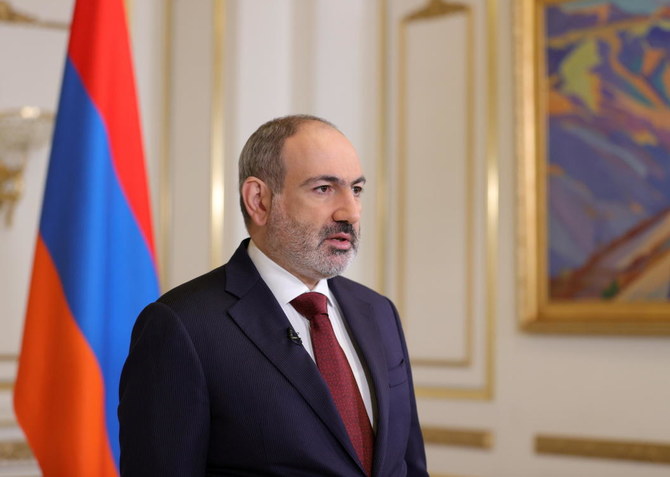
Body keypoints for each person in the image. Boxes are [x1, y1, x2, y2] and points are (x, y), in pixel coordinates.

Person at [118, 114, 428, 476]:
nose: (351, 212)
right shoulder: (182, 326)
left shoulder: (379, 311)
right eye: (323, 189)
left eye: (356, 189)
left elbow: (409, 464)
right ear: (259, 200)